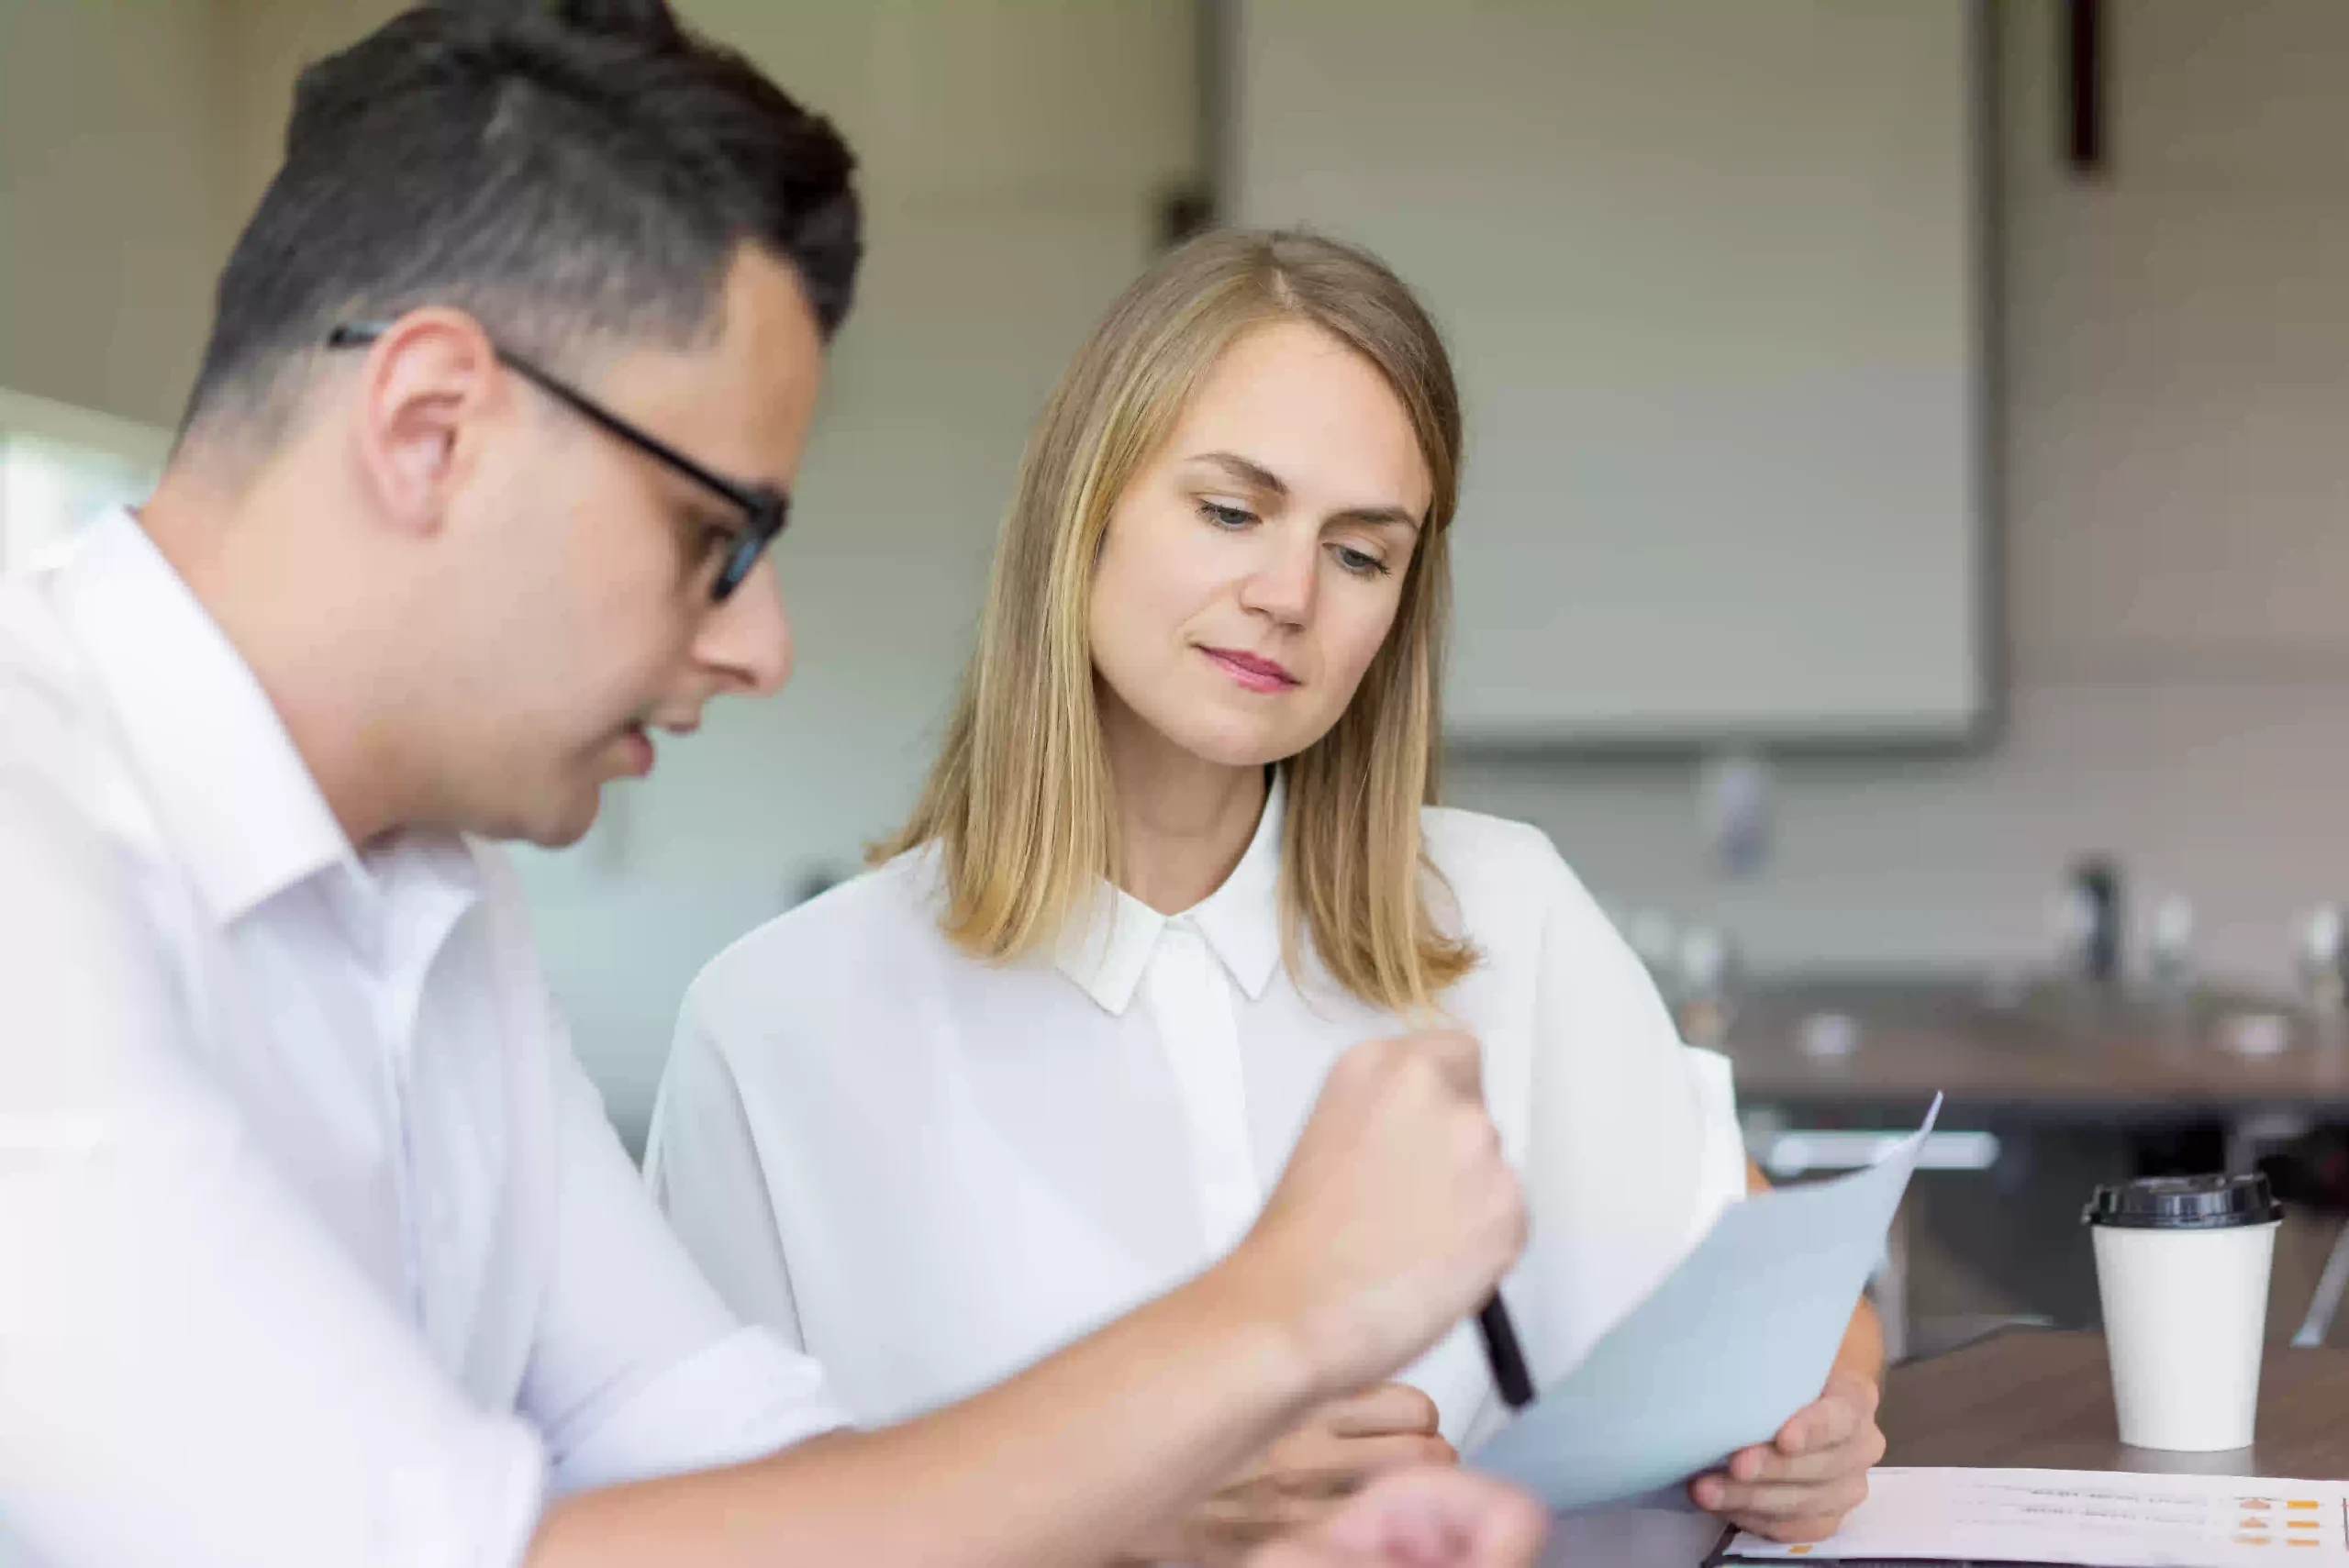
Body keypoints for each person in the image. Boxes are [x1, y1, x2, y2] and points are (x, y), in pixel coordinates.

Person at [0, 6, 1543, 1566]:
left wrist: (1188, 1530)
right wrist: (1267, 1317)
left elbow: (723, 1446)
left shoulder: (432, 896)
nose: (762, 643)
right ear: (429, 426)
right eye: (713, 537)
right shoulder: (28, 840)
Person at [648, 228, 1890, 1561]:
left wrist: (1820, 1420)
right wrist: (1127, 1516)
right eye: (1231, 512)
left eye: (1361, 554)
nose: (1286, 595)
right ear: (1091, 504)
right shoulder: (778, 1023)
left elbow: (1799, 1309)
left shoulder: (1501, 913)